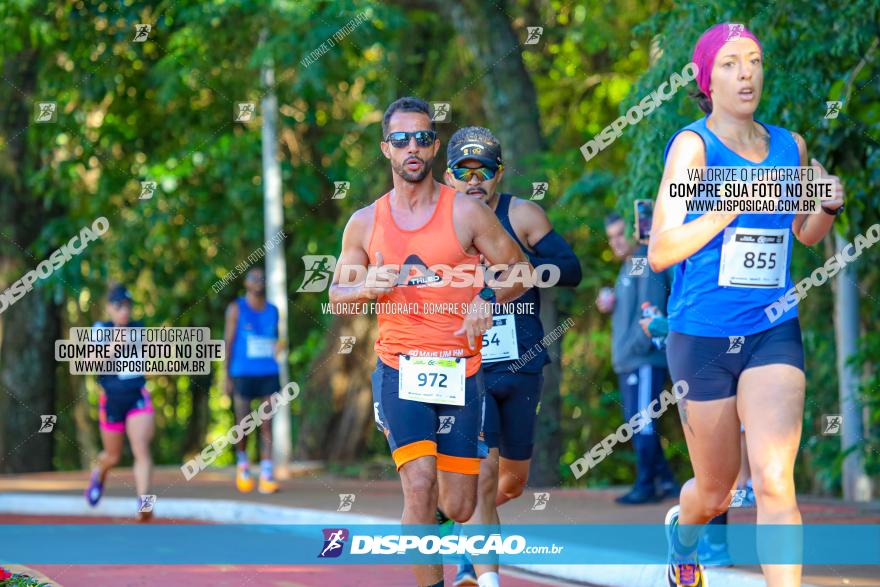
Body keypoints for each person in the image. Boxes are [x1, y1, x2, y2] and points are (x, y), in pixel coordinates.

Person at [648, 23, 845, 587]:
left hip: (771, 330)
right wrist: (727, 206)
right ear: (706, 78)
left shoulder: (790, 146)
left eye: (753, 61)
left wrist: (826, 205)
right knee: (714, 488)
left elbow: (804, 234)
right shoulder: (694, 148)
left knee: (774, 480)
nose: (746, 73)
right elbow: (661, 249)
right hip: (702, 337)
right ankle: (683, 535)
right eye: (731, 63)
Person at [328, 97, 532, 587]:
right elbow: (337, 297)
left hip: (460, 372)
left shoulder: (465, 212)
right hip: (399, 369)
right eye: (401, 140)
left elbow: (521, 270)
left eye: (421, 137)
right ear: (386, 150)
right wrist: (366, 288)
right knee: (418, 486)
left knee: (459, 505)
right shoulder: (366, 221)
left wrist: (487, 294)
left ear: (435, 146)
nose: (412, 147)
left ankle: (433, 534)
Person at [442, 126, 582, 586]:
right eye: (465, 170)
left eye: (484, 170)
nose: (475, 179)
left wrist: (513, 273)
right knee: (483, 475)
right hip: (469, 366)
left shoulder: (520, 214)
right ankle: (479, 572)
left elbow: (570, 269)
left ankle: (461, 524)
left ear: (499, 175)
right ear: (449, 176)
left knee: (511, 483)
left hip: (523, 362)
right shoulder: (440, 222)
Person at [597, 213, 678, 505]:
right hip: (630, 360)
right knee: (636, 421)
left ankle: (646, 485)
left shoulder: (645, 262)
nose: (615, 242)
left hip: (644, 359)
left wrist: (632, 348)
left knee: (641, 422)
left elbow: (652, 313)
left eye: (620, 234)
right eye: (611, 238)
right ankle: (667, 481)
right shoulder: (628, 267)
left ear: (635, 232)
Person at [84, 284, 155, 521]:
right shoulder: (100, 329)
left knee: (141, 448)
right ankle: (99, 473)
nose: (124, 310)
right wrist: (113, 346)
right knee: (112, 457)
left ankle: (144, 502)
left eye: (127, 306)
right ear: (109, 308)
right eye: (118, 306)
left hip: (137, 397)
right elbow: (91, 362)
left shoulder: (139, 329)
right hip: (112, 400)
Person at [224, 266, 282, 494]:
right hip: (242, 372)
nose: (258, 281)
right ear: (246, 283)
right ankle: (243, 465)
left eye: (262, 278)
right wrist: (226, 377)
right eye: (253, 278)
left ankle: (267, 473)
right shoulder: (236, 309)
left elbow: (275, 339)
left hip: (268, 372)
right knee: (244, 424)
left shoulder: (273, 311)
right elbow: (228, 342)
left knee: (267, 423)